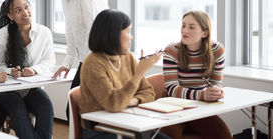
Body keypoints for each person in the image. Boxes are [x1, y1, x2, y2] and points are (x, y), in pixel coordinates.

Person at [79, 9, 169, 139]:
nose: (131, 36)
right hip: (100, 130)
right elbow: (114, 104)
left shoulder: (128, 57)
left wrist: (130, 101)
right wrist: (138, 74)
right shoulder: (93, 63)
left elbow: (149, 93)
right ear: (113, 34)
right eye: (128, 31)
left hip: (129, 123)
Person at [43, 0, 108, 117]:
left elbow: (95, 32)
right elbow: (70, 31)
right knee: (75, 111)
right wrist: (67, 62)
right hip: (85, 59)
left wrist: (89, 65)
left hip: (98, 59)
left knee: (75, 111)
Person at [0, 0, 55, 139]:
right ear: (10, 16)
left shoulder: (44, 32)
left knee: (46, 107)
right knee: (18, 111)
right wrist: (10, 71)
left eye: (26, 7)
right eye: (18, 10)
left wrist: (33, 69)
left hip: (30, 87)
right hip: (7, 88)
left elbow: (49, 62)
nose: (25, 13)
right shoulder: (2, 35)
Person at [162, 10, 231, 139]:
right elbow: (171, 89)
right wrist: (202, 95)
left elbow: (216, 82)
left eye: (191, 27)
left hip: (200, 107)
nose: (184, 30)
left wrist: (216, 91)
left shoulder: (217, 50)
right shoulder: (172, 50)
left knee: (224, 135)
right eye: (183, 25)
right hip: (173, 107)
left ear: (205, 33)